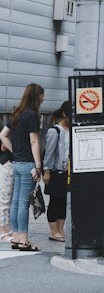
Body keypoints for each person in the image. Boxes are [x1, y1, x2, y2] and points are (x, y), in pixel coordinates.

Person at [0, 83, 45, 252]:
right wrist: (38, 165)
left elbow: (2, 135)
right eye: (42, 95)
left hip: (17, 163)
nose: (43, 98)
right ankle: (24, 241)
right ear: (35, 96)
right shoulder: (32, 115)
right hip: (27, 164)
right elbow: (34, 142)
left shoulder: (17, 114)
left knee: (16, 203)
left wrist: (15, 150)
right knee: (24, 203)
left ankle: (17, 238)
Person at [42, 102, 71, 242]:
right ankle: (53, 231)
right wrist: (46, 171)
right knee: (55, 201)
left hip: (67, 172)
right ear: (65, 114)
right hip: (55, 172)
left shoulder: (72, 131)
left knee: (64, 201)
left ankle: (60, 230)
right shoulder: (55, 131)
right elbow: (49, 153)